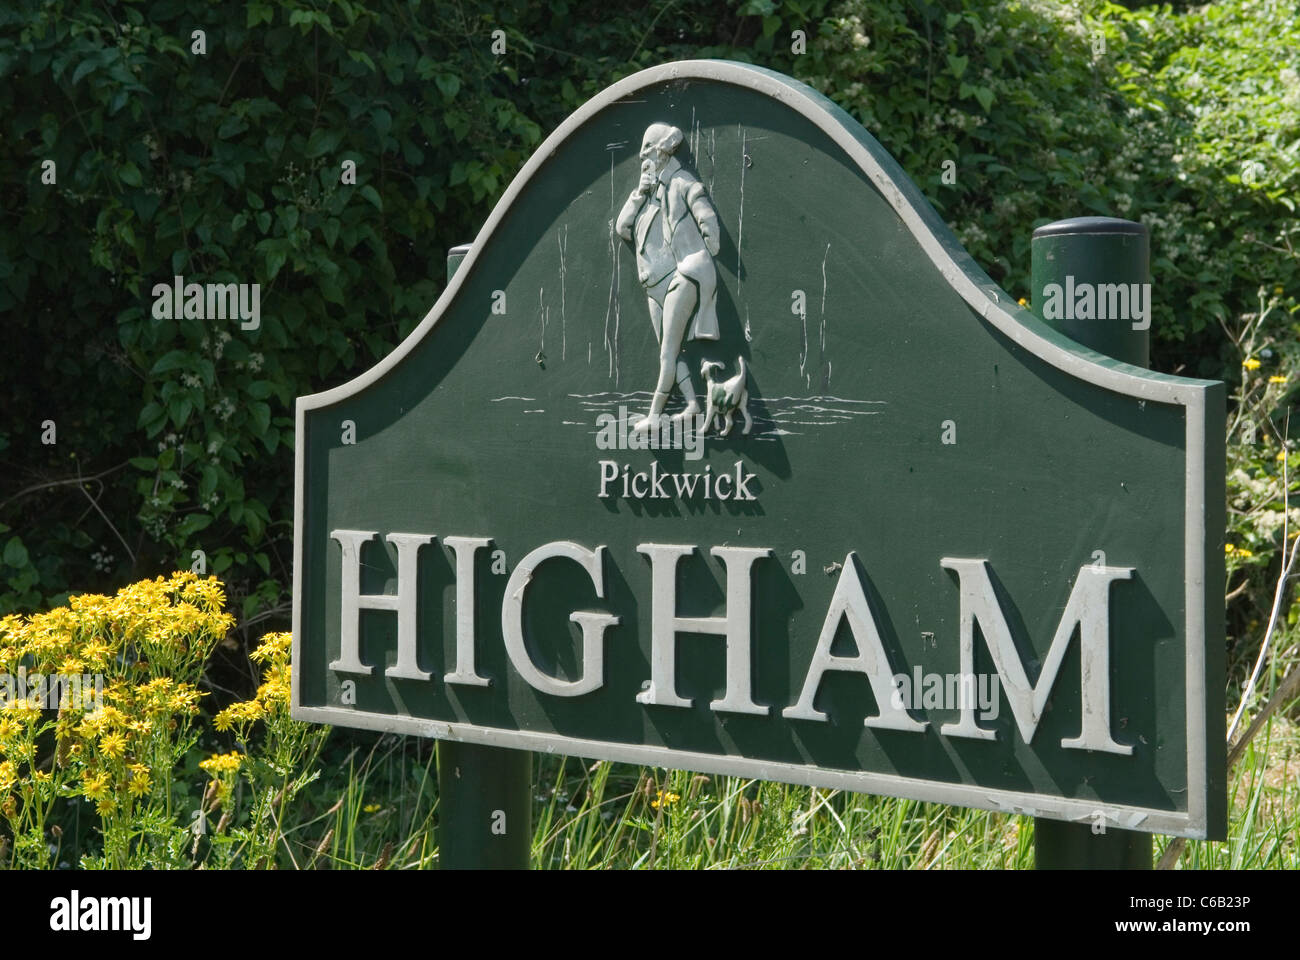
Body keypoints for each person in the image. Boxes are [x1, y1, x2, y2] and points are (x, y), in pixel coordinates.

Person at [615, 122, 721, 431]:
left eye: (647, 152)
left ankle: (655, 416)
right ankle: (691, 405)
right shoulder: (648, 195)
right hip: (653, 288)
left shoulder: (682, 182)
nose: (643, 160)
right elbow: (622, 228)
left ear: (662, 152)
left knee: (667, 352)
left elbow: (704, 213)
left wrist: (707, 245)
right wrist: (639, 193)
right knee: (672, 352)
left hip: (681, 278)